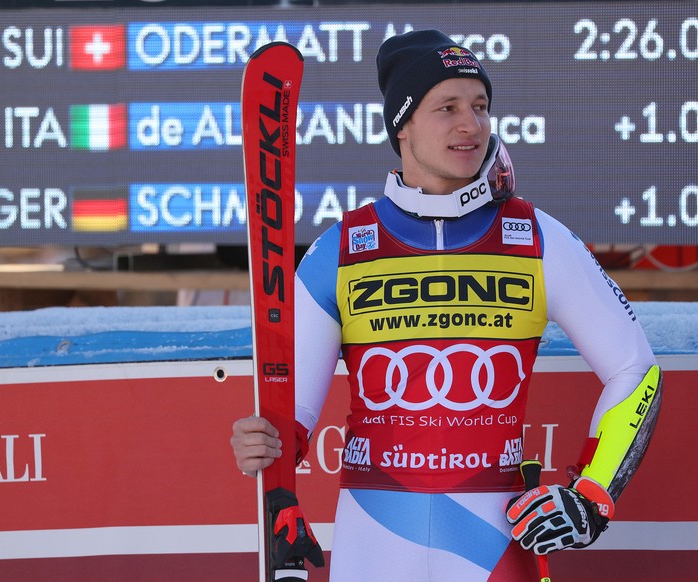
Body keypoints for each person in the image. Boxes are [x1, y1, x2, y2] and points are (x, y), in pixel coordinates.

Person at [231, 29, 662, 581]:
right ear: (402, 125)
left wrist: (591, 494)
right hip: (374, 538)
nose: (472, 125)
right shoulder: (340, 248)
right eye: (448, 107)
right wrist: (263, 449)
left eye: (481, 107)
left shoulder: (534, 236)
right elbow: (287, 416)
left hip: (495, 537)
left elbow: (635, 370)